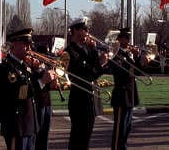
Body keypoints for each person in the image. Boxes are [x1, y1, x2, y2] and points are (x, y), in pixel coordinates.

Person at [0, 29, 57, 150]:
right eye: (25, 44)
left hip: (29, 124)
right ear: (14, 44)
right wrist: (42, 82)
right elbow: (19, 93)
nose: (29, 47)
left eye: (29, 44)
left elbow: (35, 88)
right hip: (17, 125)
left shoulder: (25, 66)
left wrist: (47, 82)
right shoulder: (7, 67)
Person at [64, 17, 108, 150]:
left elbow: (95, 71)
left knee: (86, 139)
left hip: (89, 99)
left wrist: (94, 50)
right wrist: (100, 64)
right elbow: (86, 75)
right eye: (84, 29)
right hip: (78, 101)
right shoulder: (70, 52)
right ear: (75, 31)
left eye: (87, 29)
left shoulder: (86, 49)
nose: (87, 32)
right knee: (78, 140)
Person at [109, 27, 150, 150]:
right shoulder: (115, 53)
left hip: (130, 96)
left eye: (128, 37)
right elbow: (120, 71)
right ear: (119, 39)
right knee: (119, 131)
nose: (128, 40)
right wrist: (132, 59)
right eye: (125, 37)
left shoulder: (128, 54)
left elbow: (139, 72)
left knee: (127, 128)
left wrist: (138, 58)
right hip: (121, 95)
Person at [33, 44, 59, 150]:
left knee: (45, 135)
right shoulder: (34, 66)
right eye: (44, 55)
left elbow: (52, 86)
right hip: (38, 103)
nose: (45, 58)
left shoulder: (46, 66)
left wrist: (54, 79)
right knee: (37, 136)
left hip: (47, 103)